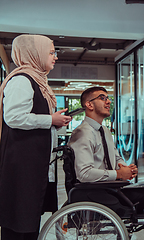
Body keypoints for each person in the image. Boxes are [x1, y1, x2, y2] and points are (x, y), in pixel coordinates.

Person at [68, 86, 144, 240]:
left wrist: (124, 167)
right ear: (89, 104)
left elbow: (116, 157)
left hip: (110, 187)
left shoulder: (104, 130)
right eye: (102, 98)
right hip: (96, 192)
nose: (108, 101)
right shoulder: (83, 133)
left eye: (108, 98)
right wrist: (117, 174)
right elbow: (84, 174)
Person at [0, 34, 72, 240]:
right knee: (20, 225)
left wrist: (55, 122)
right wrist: (51, 120)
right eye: (51, 52)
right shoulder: (22, 80)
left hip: (33, 165)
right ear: (35, 54)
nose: (55, 57)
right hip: (22, 167)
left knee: (28, 222)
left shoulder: (38, 81)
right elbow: (13, 118)